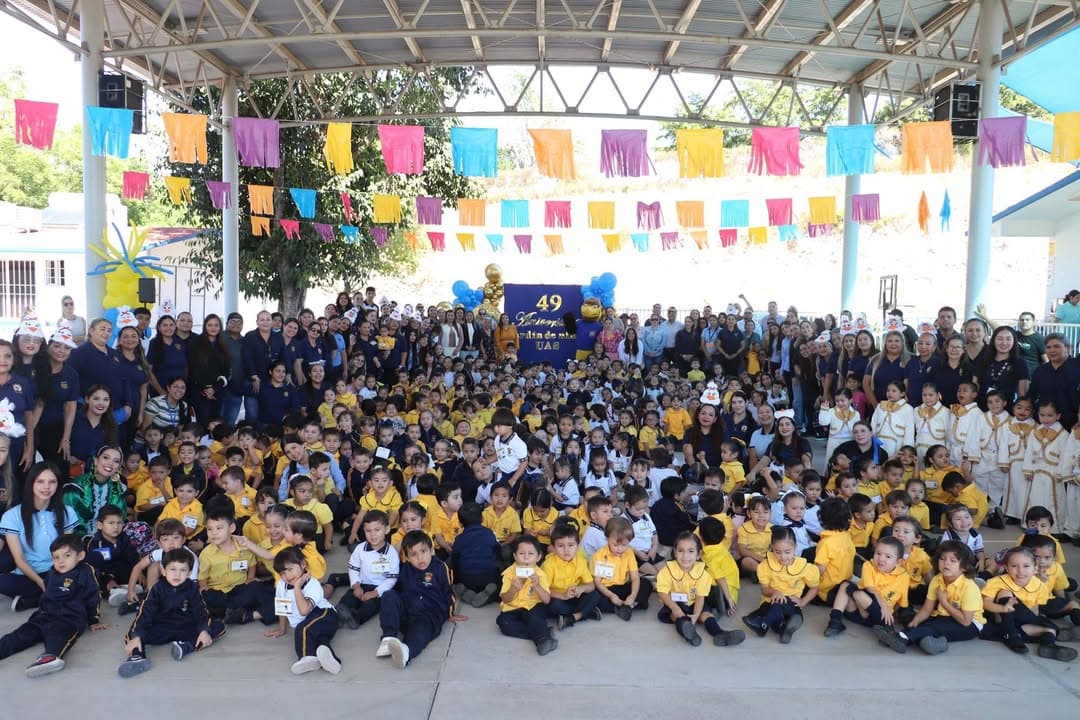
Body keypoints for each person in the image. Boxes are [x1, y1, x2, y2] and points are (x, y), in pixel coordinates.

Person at [0, 533, 103, 677]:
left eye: (67, 556)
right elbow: (47, 594)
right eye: (56, 557)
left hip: (69, 618)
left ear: (80, 556)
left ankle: (50, 657)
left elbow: (92, 596)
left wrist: (94, 620)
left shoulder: (85, 572)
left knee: (58, 636)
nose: (61, 561)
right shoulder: (52, 573)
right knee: (19, 635)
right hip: (43, 616)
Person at [117, 548, 224, 677]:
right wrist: (137, 635)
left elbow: (200, 610)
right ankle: (137, 656)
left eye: (183, 570)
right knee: (133, 633)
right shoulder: (157, 588)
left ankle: (186, 646)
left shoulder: (192, 588)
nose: (177, 575)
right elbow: (146, 612)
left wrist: (203, 630)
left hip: (184, 628)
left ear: (190, 573)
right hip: (161, 628)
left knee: (217, 627)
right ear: (163, 570)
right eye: (173, 569)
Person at [874, 540, 983, 655]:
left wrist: (944, 602)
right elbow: (927, 609)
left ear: (964, 567)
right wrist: (915, 621)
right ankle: (933, 644)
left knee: (935, 626)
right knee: (918, 621)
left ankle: (901, 638)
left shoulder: (969, 587)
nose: (946, 563)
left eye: (953, 560)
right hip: (943, 618)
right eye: (942, 558)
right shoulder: (937, 579)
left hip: (970, 625)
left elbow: (965, 621)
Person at [0, 463, 81, 610]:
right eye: (40, 481)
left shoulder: (67, 512)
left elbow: (69, 552)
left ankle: (34, 600)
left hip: (59, 570)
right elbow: (19, 559)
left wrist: (57, 575)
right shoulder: (12, 516)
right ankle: (51, 595)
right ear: (31, 483)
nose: (46, 487)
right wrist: (39, 581)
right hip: (29, 574)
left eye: (52, 482)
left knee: (83, 574)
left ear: (58, 484)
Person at [377, 530, 461, 669]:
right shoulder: (404, 569)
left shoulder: (440, 568)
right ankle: (388, 638)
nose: (420, 558)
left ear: (432, 551)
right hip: (407, 612)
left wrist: (449, 613)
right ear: (407, 557)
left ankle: (406, 652)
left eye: (423, 551)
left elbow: (448, 592)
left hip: (428, 616)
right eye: (413, 554)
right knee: (389, 595)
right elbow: (394, 591)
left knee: (420, 632)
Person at [979, 546, 1076, 661]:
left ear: (1035, 569)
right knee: (1005, 593)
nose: (1020, 571)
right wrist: (1002, 608)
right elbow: (986, 604)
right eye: (1014, 566)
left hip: (1020, 623)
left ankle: (1048, 646)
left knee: (1049, 631)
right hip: (999, 620)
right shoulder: (997, 582)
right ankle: (1011, 636)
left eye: (1026, 566)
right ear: (1007, 568)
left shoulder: (1039, 585)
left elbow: (1035, 610)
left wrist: (1038, 623)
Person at [655, 531, 745, 647]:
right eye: (680, 551)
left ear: (698, 554)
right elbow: (663, 593)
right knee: (677, 616)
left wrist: (696, 615)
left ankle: (720, 634)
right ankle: (690, 635)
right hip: (675, 603)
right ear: (675, 553)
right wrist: (675, 608)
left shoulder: (703, 573)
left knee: (706, 615)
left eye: (691, 551)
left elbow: (700, 597)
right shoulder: (667, 570)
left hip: (695, 602)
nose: (685, 556)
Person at [741, 526, 820, 643]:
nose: (783, 556)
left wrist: (803, 602)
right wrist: (775, 592)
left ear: (795, 547)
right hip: (770, 602)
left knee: (788, 611)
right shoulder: (766, 565)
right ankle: (782, 628)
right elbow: (764, 589)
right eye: (777, 552)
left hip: (792, 604)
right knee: (775, 607)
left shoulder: (804, 567)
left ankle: (763, 624)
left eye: (787, 552)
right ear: (772, 548)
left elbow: (815, 588)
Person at [337, 509, 399, 629]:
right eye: (368, 531)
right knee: (349, 597)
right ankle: (340, 613)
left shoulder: (391, 553)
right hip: (362, 584)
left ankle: (356, 618)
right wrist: (356, 586)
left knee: (371, 606)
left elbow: (392, 578)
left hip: (379, 589)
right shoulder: (360, 549)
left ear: (386, 529)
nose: (373, 534)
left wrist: (375, 593)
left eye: (377, 530)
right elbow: (353, 569)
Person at [495, 534, 557, 656]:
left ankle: (543, 641)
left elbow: (547, 600)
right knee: (503, 622)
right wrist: (513, 589)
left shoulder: (540, 574)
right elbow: (505, 599)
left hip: (533, 606)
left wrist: (537, 585)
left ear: (538, 557)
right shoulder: (509, 574)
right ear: (515, 556)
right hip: (513, 608)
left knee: (535, 617)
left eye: (531, 554)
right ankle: (543, 634)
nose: (526, 558)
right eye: (522, 554)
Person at [62, 445, 126, 537]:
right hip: (77, 541)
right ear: (96, 461)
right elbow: (69, 523)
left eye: (116, 461)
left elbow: (119, 519)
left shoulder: (118, 489)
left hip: (108, 538)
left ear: (119, 467)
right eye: (106, 458)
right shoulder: (75, 488)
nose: (110, 463)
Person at [1028, 334, 1080, 429]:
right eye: (1048, 347)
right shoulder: (1040, 371)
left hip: (1072, 424)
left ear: (1067, 348)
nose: (1052, 350)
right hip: (1044, 424)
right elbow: (1031, 396)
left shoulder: (1077, 366)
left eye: (1056, 346)